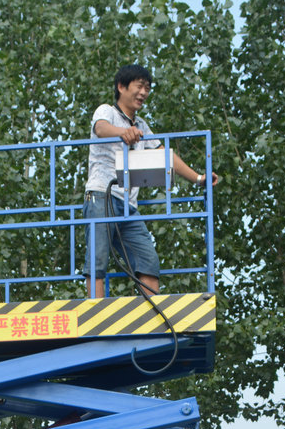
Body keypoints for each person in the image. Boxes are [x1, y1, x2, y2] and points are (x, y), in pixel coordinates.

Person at [83, 64, 219, 298]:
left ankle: (152, 312)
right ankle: (95, 310)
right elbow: (101, 128)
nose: (143, 93)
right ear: (121, 87)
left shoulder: (142, 126)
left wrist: (199, 178)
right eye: (139, 86)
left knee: (147, 259)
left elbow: (165, 156)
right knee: (98, 258)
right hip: (101, 196)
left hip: (128, 206)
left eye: (147, 88)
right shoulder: (107, 111)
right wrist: (122, 132)